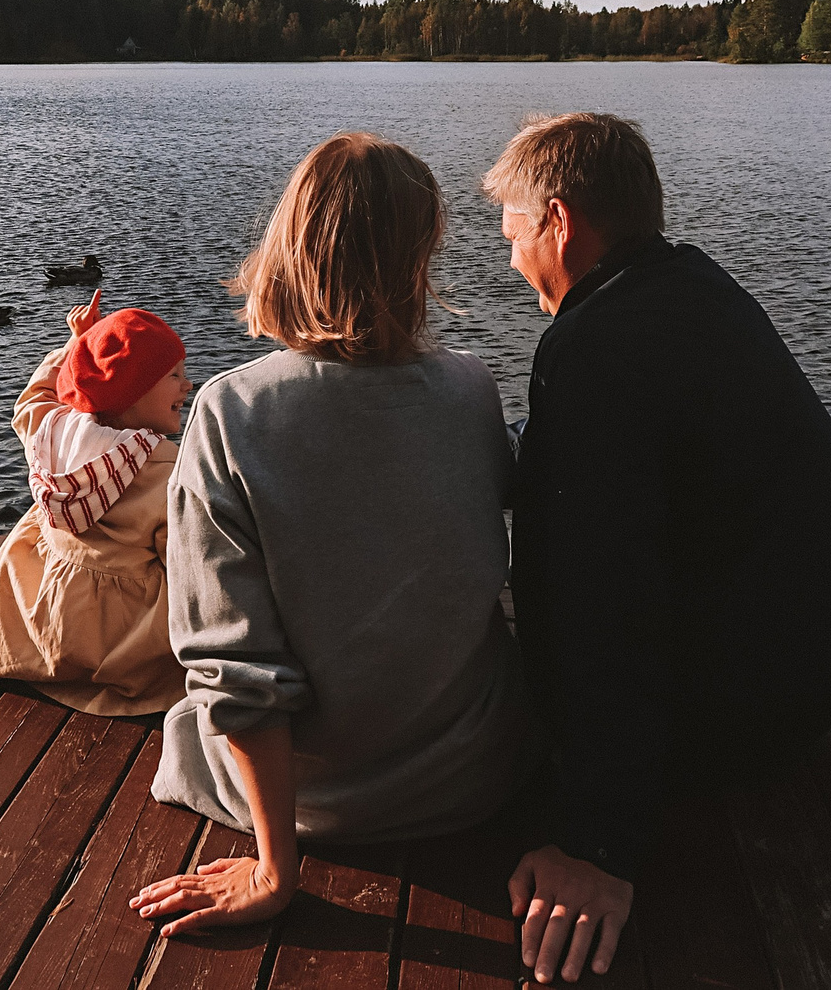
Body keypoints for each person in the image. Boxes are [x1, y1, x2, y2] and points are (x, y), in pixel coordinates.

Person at [486, 113, 831, 986]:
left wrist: (600, 840)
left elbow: (596, 601)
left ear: (559, 220)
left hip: (758, 712)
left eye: (513, 234)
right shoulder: (696, 286)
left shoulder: (587, 348)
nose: (510, 260)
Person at [131, 133, 533, 937]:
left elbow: (236, 671)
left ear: (292, 245)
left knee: (182, 722)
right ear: (416, 257)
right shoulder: (470, 388)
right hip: (473, 777)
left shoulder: (231, 412)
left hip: (315, 808)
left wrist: (275, 871)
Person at [0, 292, 194, 716]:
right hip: (117, 637)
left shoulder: (52, 434)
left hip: (45, 616)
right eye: (174, 375)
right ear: (134, 392)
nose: (188, 384)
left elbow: (32, 399)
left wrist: (75, 344)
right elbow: (188, 564)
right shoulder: (166, 470)